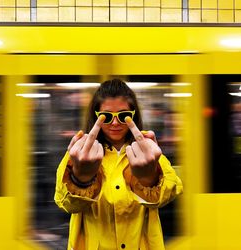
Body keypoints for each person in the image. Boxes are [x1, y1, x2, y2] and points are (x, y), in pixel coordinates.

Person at [54, 79, 183, 250]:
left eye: (123, 116)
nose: (115, 123)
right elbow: (65, 203)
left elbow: (172, 190)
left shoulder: (147, 150)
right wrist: (81, 178)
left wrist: (149, 178)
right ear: (96, 116)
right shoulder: (81, 152)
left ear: (133, 115)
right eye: (106, 117)